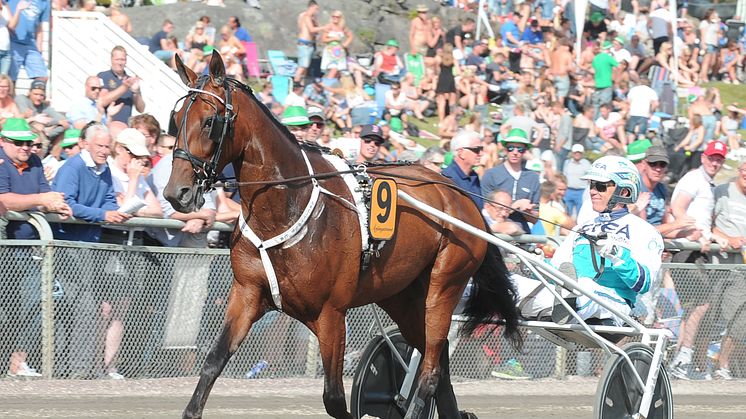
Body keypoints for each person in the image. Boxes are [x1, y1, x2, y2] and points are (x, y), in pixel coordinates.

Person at [513, 156, 664, 327]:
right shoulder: (582, 228)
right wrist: (537, 265)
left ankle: (565, 304)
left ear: (624, 191)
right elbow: (560, 271)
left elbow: (645, 283)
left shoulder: (644, 230)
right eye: (591, 185)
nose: (592, 191)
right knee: (513, 282)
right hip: (575, 293)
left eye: (600, 186)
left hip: (615, 304)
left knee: (584, 285)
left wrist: (617, 255)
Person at [0, 118, 71, 378]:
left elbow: (44, 195)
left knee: (29, 308)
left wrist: (56, 204)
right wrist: (41, 200)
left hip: (29, 250)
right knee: (4, 310)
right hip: (6, 246)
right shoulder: (0, 162)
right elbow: (3, 199)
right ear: (3, 142)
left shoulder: (36, 162)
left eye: (29, 142)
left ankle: (18, 364)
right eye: (19, 142)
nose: (26, 147)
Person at [668, 140, 729, 380]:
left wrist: (712, 236)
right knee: (701, 304)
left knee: (693, 308)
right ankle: (683, 357)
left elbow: (699, 219)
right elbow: (677, 207)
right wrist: (698, 234)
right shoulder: (693, 179)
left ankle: (680, 361)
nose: (715, 162)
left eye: (719, 159)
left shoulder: (707, 183)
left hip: (697, 250)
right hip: (686, 250)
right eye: (712, 157)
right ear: (703, 157)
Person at [708, 160, 746, 380]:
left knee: (738, 320)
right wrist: (727, 238)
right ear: (740, 171)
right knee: (709, 317)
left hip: (741, 270)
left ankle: (722, 367)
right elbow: (707, 224)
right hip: (717, 266)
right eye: (744, 171)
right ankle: (698, 365)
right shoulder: (722, 192)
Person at [482, 128, 539, 232]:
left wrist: (526, 211)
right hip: (495, 233)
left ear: (525, 151)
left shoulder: (533, 178)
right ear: (505, 149)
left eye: (520, 149)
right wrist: (513, 206)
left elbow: (535, 219)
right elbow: (486, 209)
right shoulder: (490, 175)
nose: (515, 152)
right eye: (511, 148)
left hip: (522, 235)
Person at [97, 46, 145, 125]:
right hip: (107, 125)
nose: (120, 63)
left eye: (122, 59)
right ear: (111, 60)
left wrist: (137, 92)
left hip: (125, 127)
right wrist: (125, 87)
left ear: (126, 61)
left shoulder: (130, 79)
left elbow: (141, 109)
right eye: (117, 59)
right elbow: (102, 101)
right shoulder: (103, 76)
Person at [17, 80, 69, 147]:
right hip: (25, 132)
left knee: (64, 125)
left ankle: (47, 136)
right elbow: (28, 117)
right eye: (35, 94)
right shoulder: (22, 98)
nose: (38, 98)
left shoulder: (44, 106)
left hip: (43, 134)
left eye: (41, 95)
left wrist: (55, 122)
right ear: (29, 92)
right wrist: (55, 122)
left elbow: (62, 119)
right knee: (37, 127)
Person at [7, 0, 50, 82]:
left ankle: (35, 94)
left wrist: (39, 50)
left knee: (42, 77)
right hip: (13, 41)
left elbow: (39, 26)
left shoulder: (44, 2)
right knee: (11, 79)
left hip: (31, 43)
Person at [440, 130, 484, 209]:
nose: (481, 154)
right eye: (476, 150)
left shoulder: (473, 176)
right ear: (461, 153)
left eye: (482, 149)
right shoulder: (447, 179)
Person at [295, 0, 323, 83]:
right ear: (311, 7)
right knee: (303, 65)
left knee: (306, 67)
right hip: (304, 43)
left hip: (310, 45)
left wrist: (315, 22)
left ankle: (302, 84)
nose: (316, 11)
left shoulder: (312, 18)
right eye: (316, 9)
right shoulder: (305, 16)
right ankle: (296, 82)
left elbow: (316, 31)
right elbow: (311, 30)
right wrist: (325, 27)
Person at [320, 10, 353, 78]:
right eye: (333, 16)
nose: (335, 18)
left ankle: (332, 86)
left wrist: (345, 44)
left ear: (341, 18)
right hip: (330, 50)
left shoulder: (342, 27)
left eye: (337, 17)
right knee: (333, 69)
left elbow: (350, 36)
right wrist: (334, 38)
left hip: (339, 51)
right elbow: (323, 39)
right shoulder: (328, 26)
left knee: (338, 72)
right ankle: (327, 86)